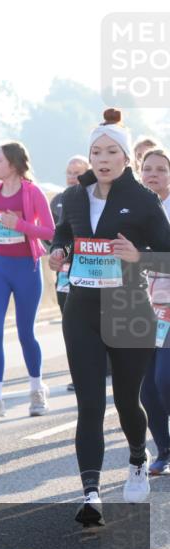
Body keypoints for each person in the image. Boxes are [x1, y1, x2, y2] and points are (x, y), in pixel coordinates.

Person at [49, 109, 170, 526]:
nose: (102, 158)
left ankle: (138, 459)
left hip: (128, 308)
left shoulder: (141, 200)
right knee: (88, 404)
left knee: (125, 402)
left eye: (111, 151)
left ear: (125, 158)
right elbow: (64, 231)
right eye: (96, 151)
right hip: (81, 306)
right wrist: (58, 251)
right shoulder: (75, 196)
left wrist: (139, 257)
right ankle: (91, 492)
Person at [0, 141, 55, 419]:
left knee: (25, 333)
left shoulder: (33, 193)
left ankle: (37, 389)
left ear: (13, 163)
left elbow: (48, 231)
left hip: (26, 268)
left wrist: (19, 225)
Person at [140, 147, 170, 476]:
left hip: (168, 306)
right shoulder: (133, 208)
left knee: (165, 380)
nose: (153, 174)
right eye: (148, 169)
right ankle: (163, 449)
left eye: (161, 169)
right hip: (135, 306)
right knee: (145, 387)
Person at [52, 156, 90, 392]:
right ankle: (78, 374)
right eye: (69, 172)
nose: (72, 176)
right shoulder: (60, 199)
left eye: (78, 172)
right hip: (64, 275)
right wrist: (57, 250)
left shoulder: (94, 197)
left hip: (91, 273)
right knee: (71, 325)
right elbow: (58, 233)